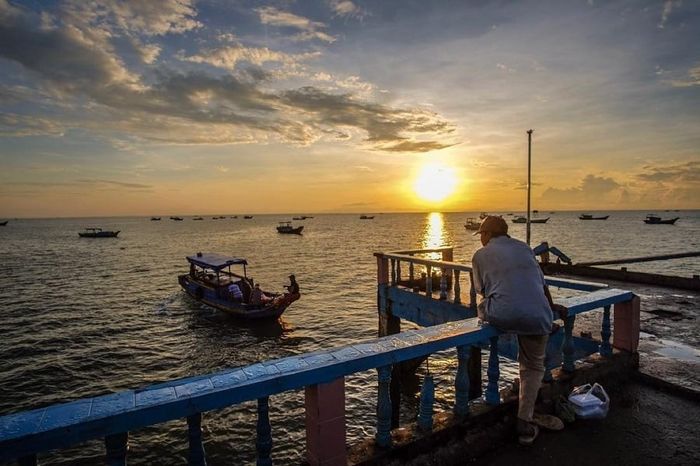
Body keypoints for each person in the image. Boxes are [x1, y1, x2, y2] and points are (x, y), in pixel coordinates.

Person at [471, 216, 567, 445]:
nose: (481, 239)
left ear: (487, 234)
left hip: (503, 314)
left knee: (482, 305)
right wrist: (551, 311)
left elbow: (482, 290)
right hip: (539, 315)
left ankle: (513, 328)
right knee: (533, 366)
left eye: (482, 234)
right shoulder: (524, 249)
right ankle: (525, 421)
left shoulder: (480, 255)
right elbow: (542, 286)